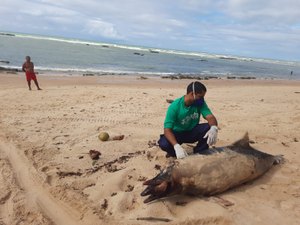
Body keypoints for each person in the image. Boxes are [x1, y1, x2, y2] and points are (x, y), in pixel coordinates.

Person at [158, 81, 218, 159]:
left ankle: (200, 151)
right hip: (177, 134)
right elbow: (167, 130)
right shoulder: (175, 107)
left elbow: (210, 117)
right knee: (164, 144)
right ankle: (176, 153)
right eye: (200, 96)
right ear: (192, 93)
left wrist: (214, 127)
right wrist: (176, 146)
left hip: (191, 132)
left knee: (209, 127)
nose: (202, 99)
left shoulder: (200, 103)